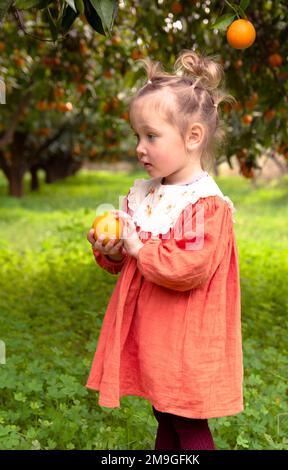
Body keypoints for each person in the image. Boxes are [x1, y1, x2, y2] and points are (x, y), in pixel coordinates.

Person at [86, 49, 243, 451]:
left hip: (185, 338)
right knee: (165, 410)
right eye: (137, 135)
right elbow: (123, 257)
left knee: (186, 419)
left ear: (193, 136)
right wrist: (114, 249)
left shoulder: (204, 203)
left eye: (152, 136)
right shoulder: (145, 193)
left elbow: (189, 267)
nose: (140, 147)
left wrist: (138, 248)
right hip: (154, 333)